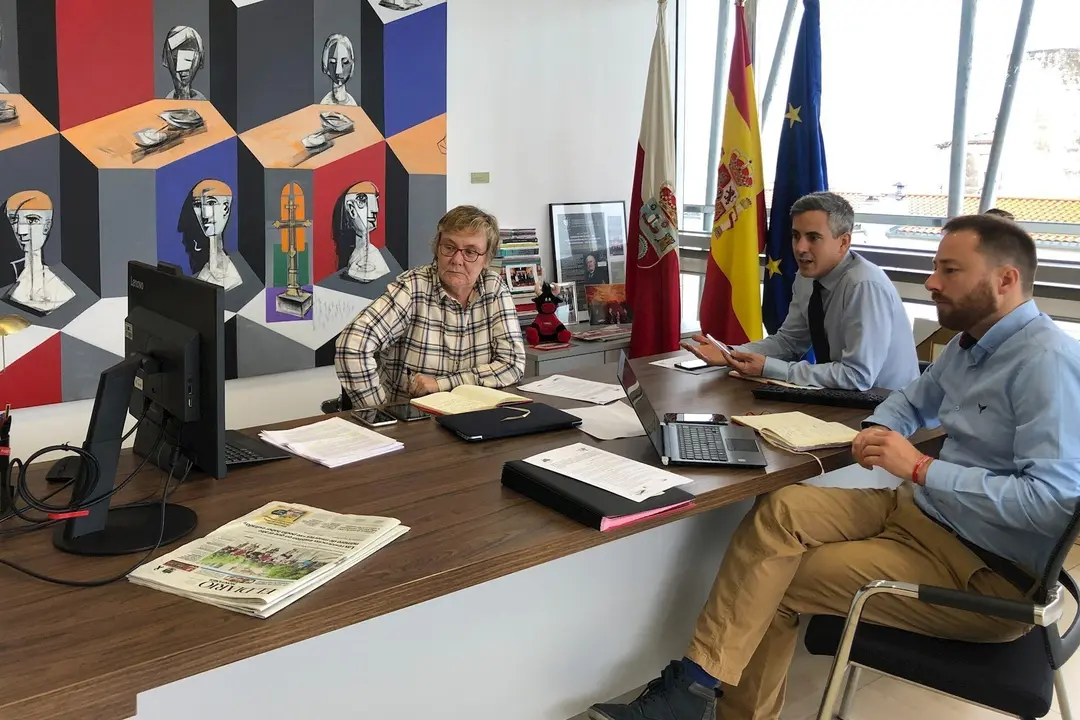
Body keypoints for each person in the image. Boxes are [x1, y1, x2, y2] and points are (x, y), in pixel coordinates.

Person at [586, 214, 1080, 720]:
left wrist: (922, 469)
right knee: (780, 506)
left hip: (978, 569)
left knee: (771, 582)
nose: (931, 283)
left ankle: (696, 695)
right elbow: (913, 400)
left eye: (949, 271)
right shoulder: (969, 342)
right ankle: (692, 694)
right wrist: (878, 426)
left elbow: (1050, 504)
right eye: (934, 267)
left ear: (1005, 279)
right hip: (922, 513)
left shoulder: (1047, 363)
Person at [683, 191, 918, 391]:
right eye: (796, 236)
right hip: (842, 398)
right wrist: (731, 353)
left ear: (844, 242)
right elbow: (790, 342)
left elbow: (857, 376)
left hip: (887, 411)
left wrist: (768, 367)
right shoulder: (807, 276)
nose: (800, 248)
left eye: (813, 238)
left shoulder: (863, 286)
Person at [335, 205, 526, 408]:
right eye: (449, 247)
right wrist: (379, 413)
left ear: (487, 259)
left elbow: (512, 364)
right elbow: (352, 346)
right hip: (415, 424)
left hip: (474, 416)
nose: (457, 260)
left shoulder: (494, 287)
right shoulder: (412, 287)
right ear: (437, 248)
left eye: (470, 252)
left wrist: (441, 384)